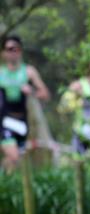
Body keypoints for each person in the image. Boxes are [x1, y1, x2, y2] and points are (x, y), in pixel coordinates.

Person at [0, 35, 50, 173]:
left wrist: (32, 91)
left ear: (20, 51)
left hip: (22, 123)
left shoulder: (28, 72)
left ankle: (6, 187)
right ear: (3, 52)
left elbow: (45, 94)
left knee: (14, 163)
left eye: (15, 49)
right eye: (9, 49)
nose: (12, 52)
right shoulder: (1, 73)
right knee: (14, 156)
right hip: (4, 122)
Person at [58, 60, 90, 156]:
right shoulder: (78, 85)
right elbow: (62, 107)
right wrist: (78, 102)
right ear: (88, 70)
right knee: (81, 163)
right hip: (82, 132)